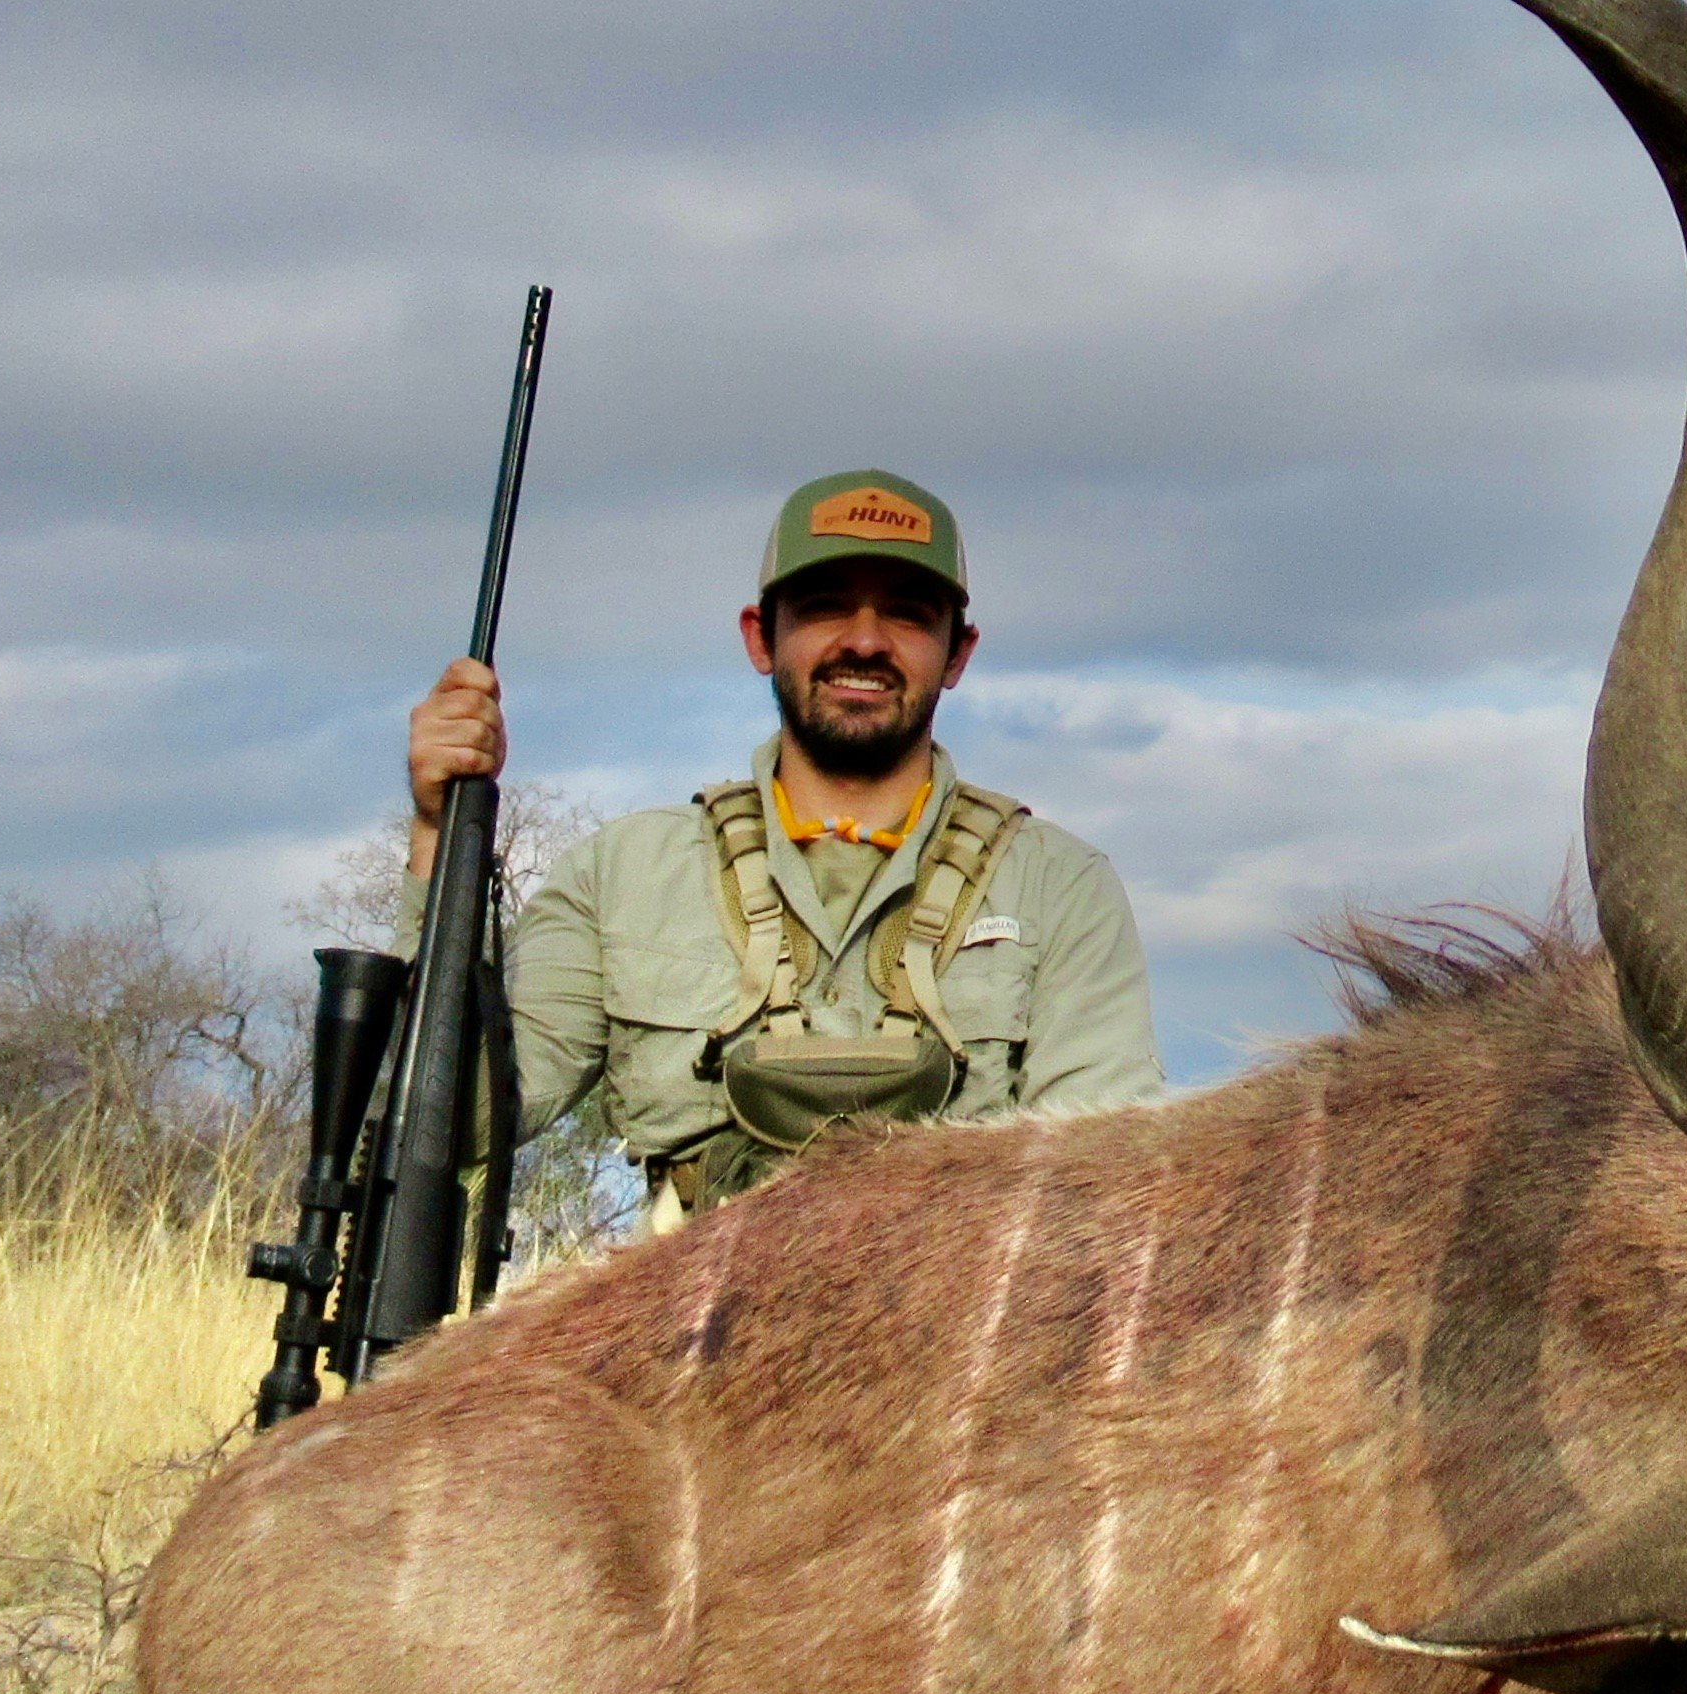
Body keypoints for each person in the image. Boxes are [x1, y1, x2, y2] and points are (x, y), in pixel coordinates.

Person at [405, 466, 1160, 1229]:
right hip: (676, 1335)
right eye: (824, 607)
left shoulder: (1060, 886)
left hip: (955, 1336)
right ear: (759, 637)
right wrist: (439, 830)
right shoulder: (622, 871)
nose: (863, 639)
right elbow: (445, 1125)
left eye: (906, 614)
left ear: (957, 654)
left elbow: (1101, 1196)